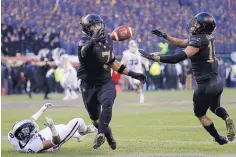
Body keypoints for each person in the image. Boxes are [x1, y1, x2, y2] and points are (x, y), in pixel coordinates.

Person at [139, 12, 235, 144]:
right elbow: (182, 43)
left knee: (200, 114)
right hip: (217, 82)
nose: (194, 25)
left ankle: (219, 139)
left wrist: (153, 57)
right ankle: (227, 118)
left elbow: (176, 58)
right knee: (215, 107)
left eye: (197, 23)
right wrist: (166, 36)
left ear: (203, 27)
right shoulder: (208, 37)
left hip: (205, 84)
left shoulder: (198, 40)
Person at [78, 14, 146, 150]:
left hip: (105, 81)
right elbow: (84, 53)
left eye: (99, 25)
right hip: (88, 85)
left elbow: (112, 62)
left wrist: (134, 74)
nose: (98, 28)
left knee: (108, 103)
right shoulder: (83, 41)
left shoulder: (107, 40)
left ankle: (101, 134)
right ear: (87, 28)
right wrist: (93, 41)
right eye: (94, 25)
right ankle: (108, 136)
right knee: (95, 119)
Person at [8, 103, 96, 153]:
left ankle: (79, 135)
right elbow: (55, 142)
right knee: (78, 121)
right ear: (27, 136)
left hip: (43, 136)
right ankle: (84, 131)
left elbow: (30, 121)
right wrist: (52, 127)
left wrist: (43, 109)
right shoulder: (33, 146)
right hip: (54, 142)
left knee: (62, 126)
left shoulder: (14, 136)